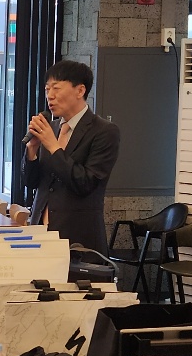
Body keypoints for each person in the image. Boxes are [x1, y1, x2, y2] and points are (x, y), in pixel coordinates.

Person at [23, 60, 121, 252]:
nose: (50, 96)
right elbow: (32, 182)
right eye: (47, 89)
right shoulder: (51, 128)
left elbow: (85, 183)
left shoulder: (104, 131)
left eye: (56, 88)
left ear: (80, 90)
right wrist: (32, 152)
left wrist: (53, 147)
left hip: (78, 238)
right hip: (40, 232)